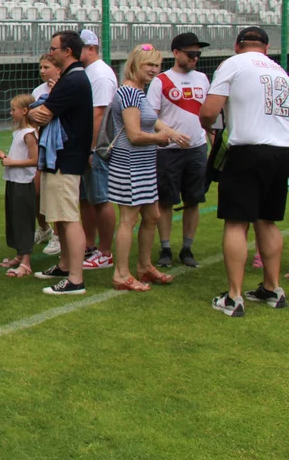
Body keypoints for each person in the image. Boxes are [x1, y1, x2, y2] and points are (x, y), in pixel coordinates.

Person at [200, 26, 289, 317]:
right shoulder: (279, 71)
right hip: (280, 150)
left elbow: (209, 112)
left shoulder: (232, 64)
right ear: (266, 47)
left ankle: (234, 296)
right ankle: (272, 288)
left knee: (237, 222)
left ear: (238, 45)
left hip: (248, 149)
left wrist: (210, 129)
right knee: (268, 220)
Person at [107, 45, 187, 293]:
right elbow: (134, 135)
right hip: (129, 164)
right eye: (148, 65)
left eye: (156, 65)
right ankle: (121, 274)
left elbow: (151, 120)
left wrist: (170, 132)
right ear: (135, 65)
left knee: (152, 216)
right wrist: (161, 138)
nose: (154, 70)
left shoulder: (139, 92)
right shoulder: (130, 93)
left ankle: (144, 266)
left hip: (143, 165)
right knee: (128, 220)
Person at [30, 30, 94, 296]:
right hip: (63, 157)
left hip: (66, 158)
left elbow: (40, 114)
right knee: (60, 216)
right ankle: (65, 265)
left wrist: (34, 112)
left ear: (67, 52)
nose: (51, 51)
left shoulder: (72, 80)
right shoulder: (71, 78)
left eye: (54, 48)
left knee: (68, 218)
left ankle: (75, 279)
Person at [148, 32, 211, 268]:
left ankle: (187, 248)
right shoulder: (161, 81)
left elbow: (207, 114)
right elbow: (151, 117)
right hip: (168, 150)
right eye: (191, 53)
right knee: (165, 200)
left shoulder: (203, 79)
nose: (195, 57)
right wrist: (169, 134)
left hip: (197, 148)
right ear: (176, 53)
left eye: (198, 53)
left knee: (193, 200)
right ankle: (165, 248)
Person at [78, 29, 118, 271]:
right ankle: (90, 244)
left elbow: (99, 114)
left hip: (99, 146)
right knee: (86, 197)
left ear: (91, 49)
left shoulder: (100, 75)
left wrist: (91, 148)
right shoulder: (90, 72)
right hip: (89, 145)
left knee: (100, 198)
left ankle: (105, 251)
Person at [0, 94, 39, 278]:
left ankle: (26, 262)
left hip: (23, 183)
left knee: (23, 221)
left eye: (13, 109)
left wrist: (11, 162)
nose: (11, 113)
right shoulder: (18, 133)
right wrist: (5, 158)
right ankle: (19, 255)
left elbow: (34, 160)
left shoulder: (29, 134)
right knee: (13, 218)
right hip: (13, 181)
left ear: (24, 111)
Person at [33, 54, 62, 253]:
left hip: (58, 148)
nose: (43, 71)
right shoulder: (37, 91)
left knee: (57, 194)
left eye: (47, 67)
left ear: (58, 68)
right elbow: (36, 117)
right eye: (41, 67)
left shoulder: (64, 88)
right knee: (36, 192)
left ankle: (59, 236)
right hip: (38, 147)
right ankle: (44, 228)